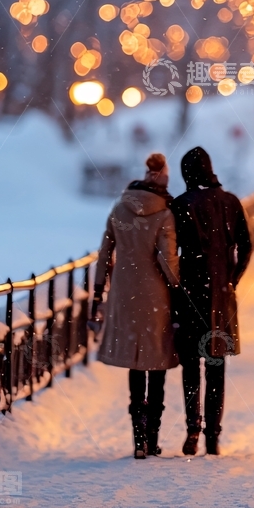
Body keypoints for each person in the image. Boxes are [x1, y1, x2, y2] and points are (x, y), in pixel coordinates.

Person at [92, 152, 179, 458]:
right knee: (156, 364)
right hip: (156, 297)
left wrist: (98, 294)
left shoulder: (119, 210)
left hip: (125, 295)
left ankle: (137, 438)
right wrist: (178, 288)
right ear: (163, 179)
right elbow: (167, 261)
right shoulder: (165, 214)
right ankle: (153, 437)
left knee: (134, 363)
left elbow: (103, 255)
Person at [172, 146, 253, 457]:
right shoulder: (231, 202)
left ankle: (193, 427)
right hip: (220, 297)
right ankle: (213, 437)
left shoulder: (181, 205)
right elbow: (247, 246)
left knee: (190, 366)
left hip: (190, 295)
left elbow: (170, 254)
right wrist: (232, 279)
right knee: (216, 366)